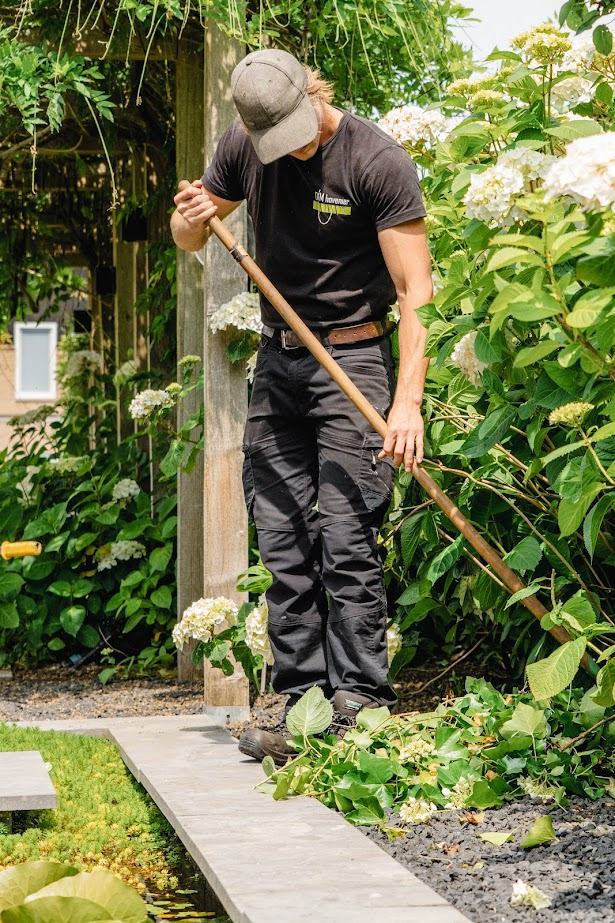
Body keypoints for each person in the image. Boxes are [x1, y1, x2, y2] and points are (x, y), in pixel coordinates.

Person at [171, 49, 433, 766]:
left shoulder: (376, 161)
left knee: (347, 537)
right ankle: (299, 704)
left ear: (312, 94)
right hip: (279, 360)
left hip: (353, 359)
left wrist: (406, 404)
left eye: (295, 132)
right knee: (282, 536)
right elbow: (191, 236)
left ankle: (359, 708)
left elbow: (415, 293)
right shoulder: (244, 146)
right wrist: (192, 219)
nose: (288, 150)